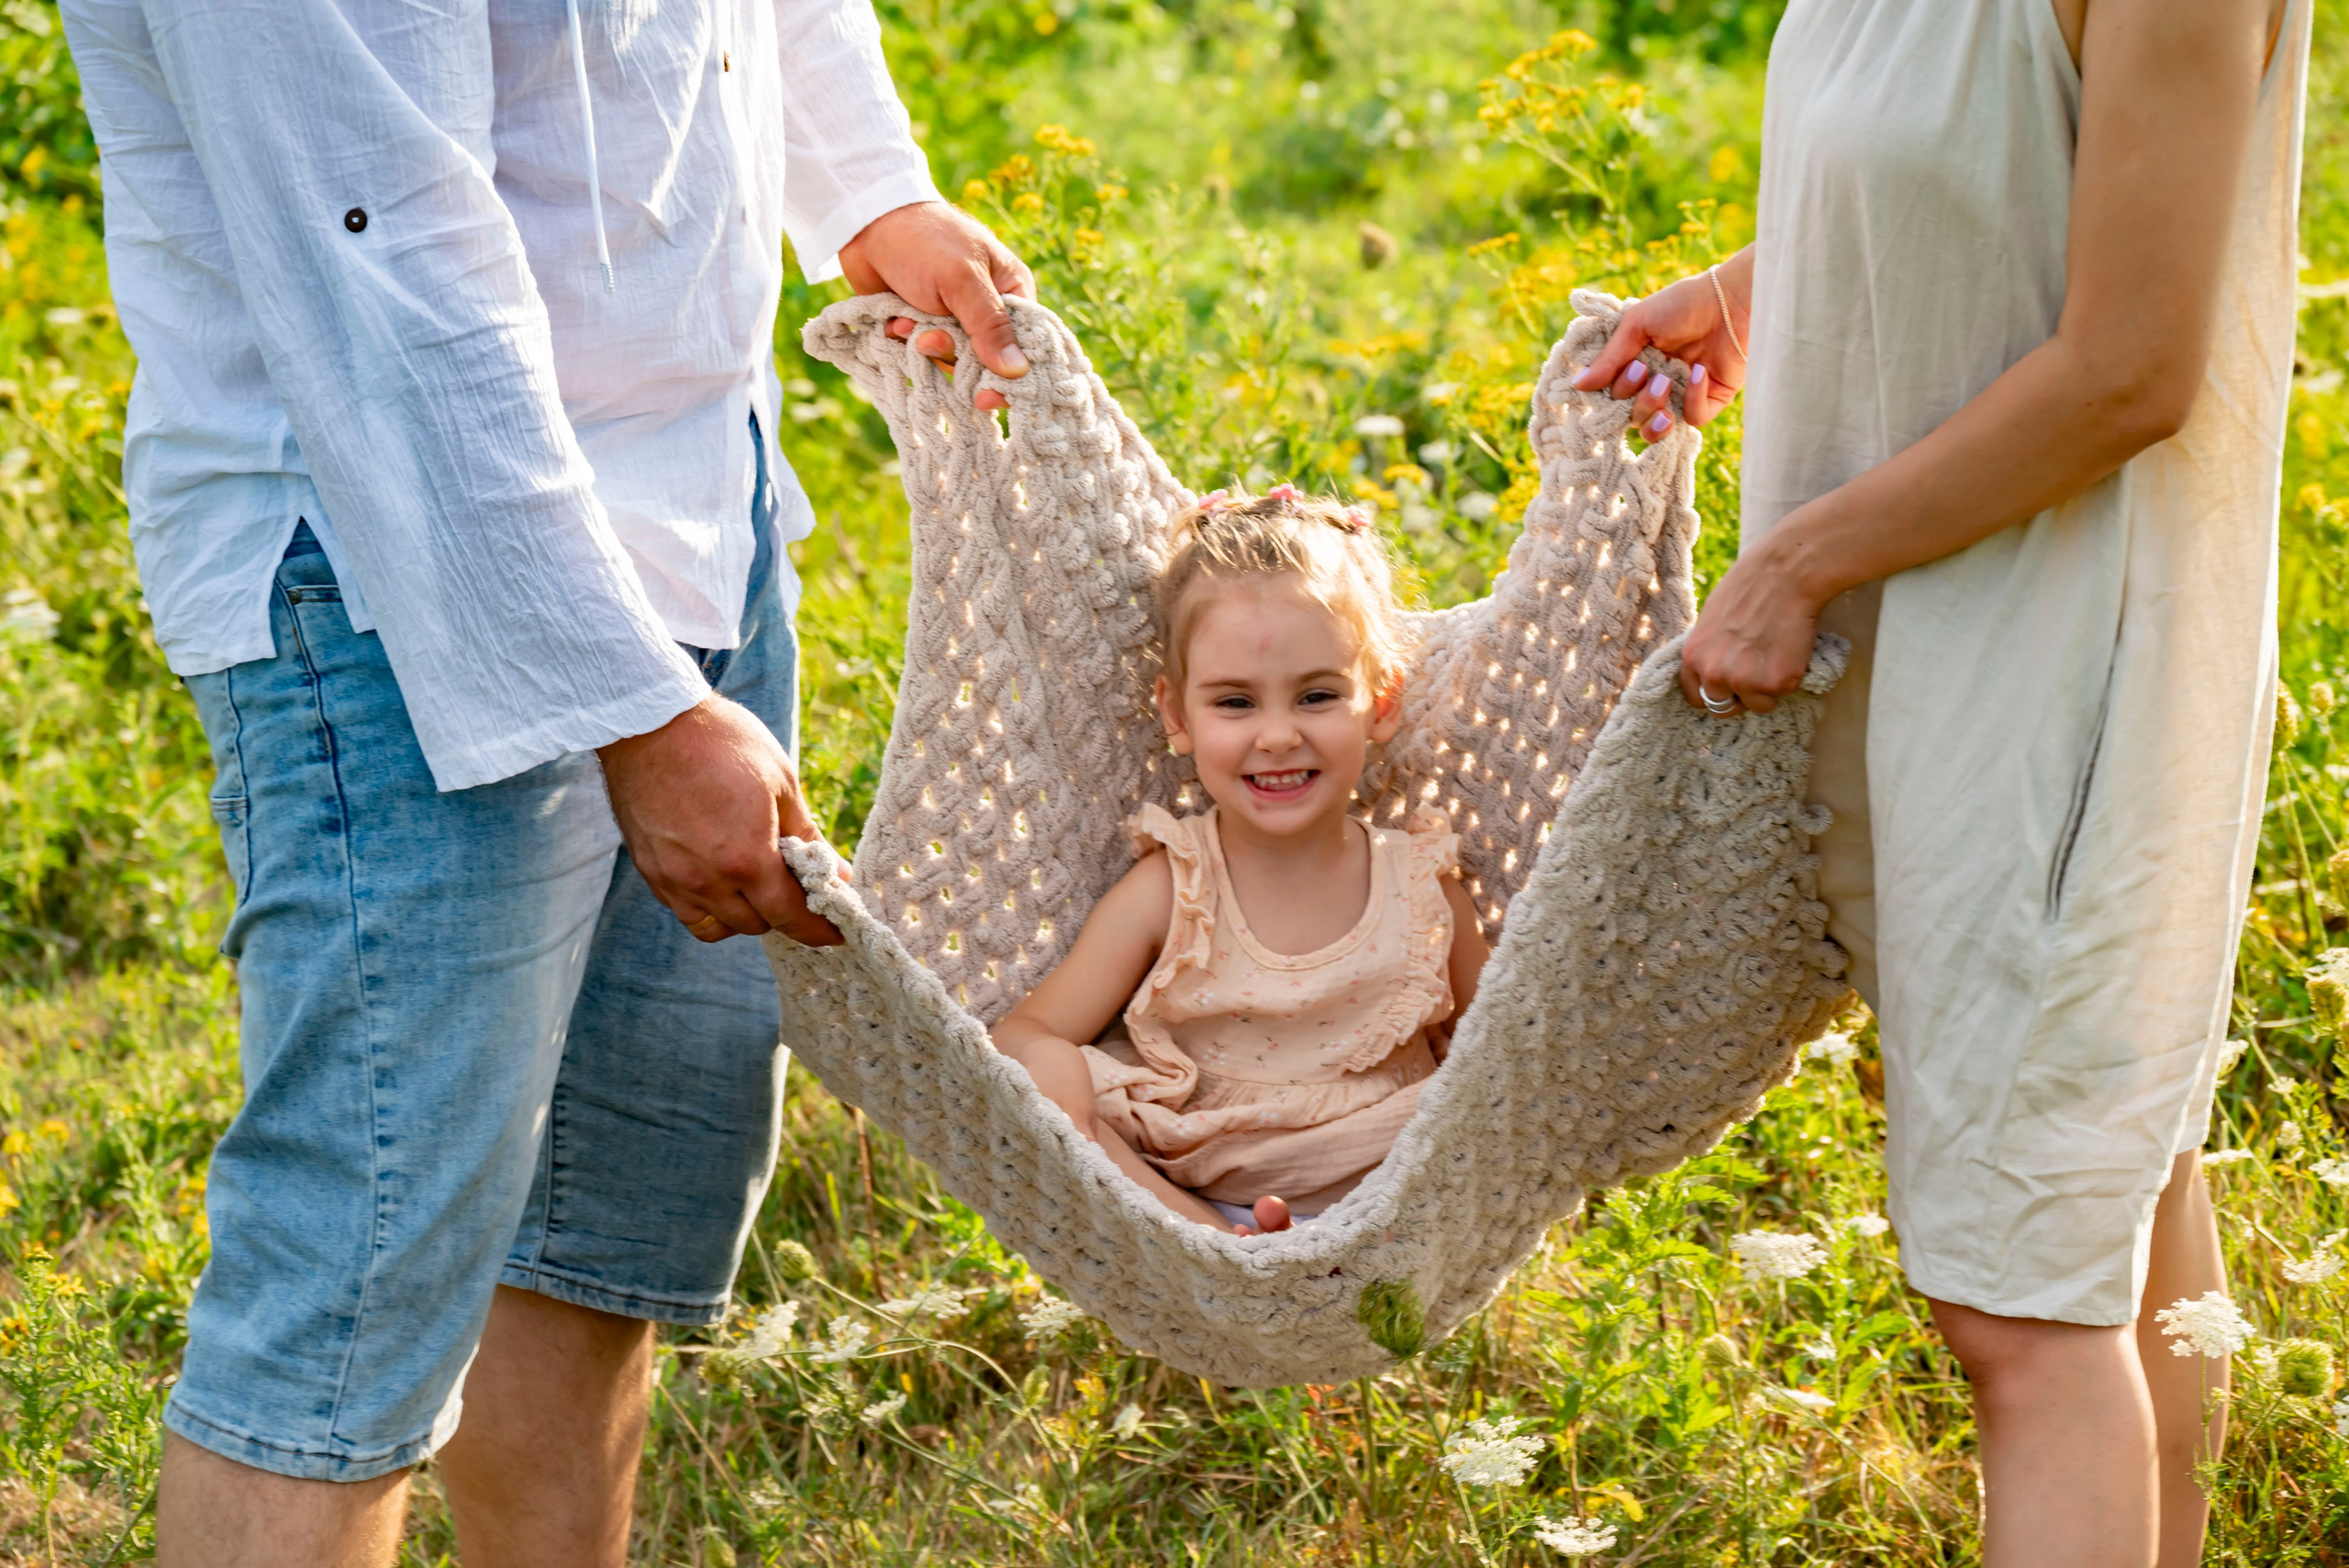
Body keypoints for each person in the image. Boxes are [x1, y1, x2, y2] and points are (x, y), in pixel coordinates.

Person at [56, 0, 1029, 1562]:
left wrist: (867, 189)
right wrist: (639, 714)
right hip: (387, 568)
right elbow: (380, 244)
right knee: (361, 1281)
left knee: (595, 1236)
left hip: (692, 509)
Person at [1575, 0, 2309, 1563]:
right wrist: (1756, 290)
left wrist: (1800, 560)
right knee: (2116, 1179)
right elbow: (2014, 187)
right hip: (1945, 618)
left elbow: (2129, 368)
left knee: (2020, 1304)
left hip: (2056, 649)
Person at [991, 487, 1489, 1236]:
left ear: (1381, 702)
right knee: (1070, 1092)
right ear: (1177, 716)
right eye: (1235, 703)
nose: (1279, 735)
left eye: (1317, 696)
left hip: (1391, 1203)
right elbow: (1030, 1031)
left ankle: (1307, 1250)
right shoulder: (1172, 885)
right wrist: (1051, 1078)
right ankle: (1224, 1244)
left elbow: (1499, 1045)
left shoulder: (1420, 883)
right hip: (1180, 1201)